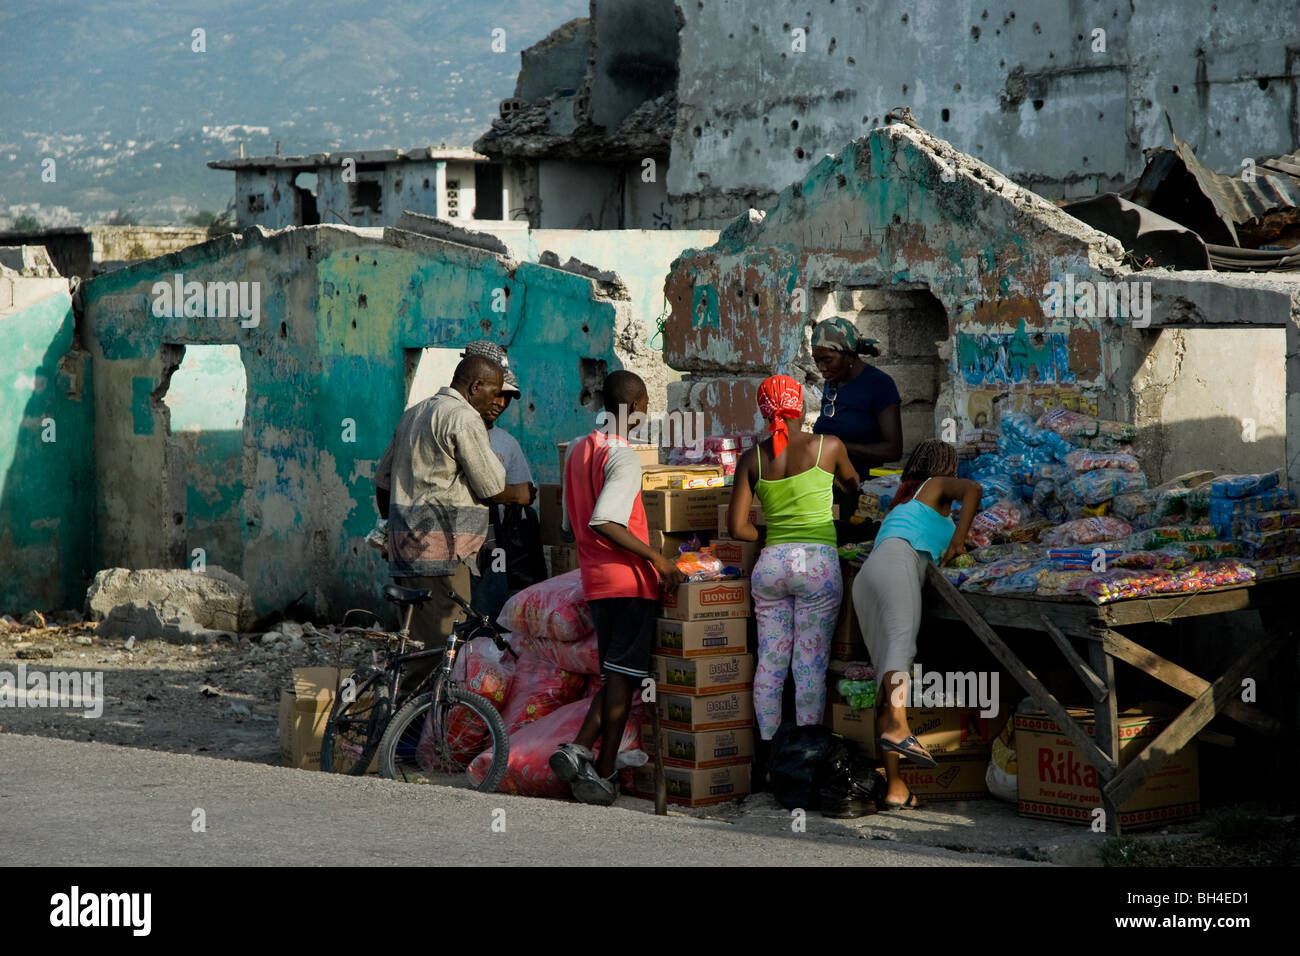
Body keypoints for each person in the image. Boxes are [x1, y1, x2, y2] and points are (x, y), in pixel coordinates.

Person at [549, 370, 683, 805]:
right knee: (623, 677)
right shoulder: (622, 455)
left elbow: (569, 527)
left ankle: (582, 752)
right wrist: (658, 558)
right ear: (640, 405)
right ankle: (599, 767)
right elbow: (603, 520)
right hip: (628, 582)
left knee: (618, 676)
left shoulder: (577, 451)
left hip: (596, 582)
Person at [727, 375, 859, 743]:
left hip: (771, 566)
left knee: (770, 663)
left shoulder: (751, 458)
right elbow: (853, 486)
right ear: (801, 406)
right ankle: (805, 754)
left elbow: (738, 528)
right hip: (815, 564)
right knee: (809, 665)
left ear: (764, 411)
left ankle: (771, 754)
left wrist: (768, 537)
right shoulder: (828, 446)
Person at [851, 438, 982, 809]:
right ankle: (897, 725)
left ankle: (895, 786)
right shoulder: (935, 486)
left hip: (870, 575)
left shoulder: (907, 501)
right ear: (944, 468)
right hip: (896, 566)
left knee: (889, 675)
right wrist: (959, 539)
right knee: (901, 650)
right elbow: (974, 489)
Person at [373, 355, 516, 658]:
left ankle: (407, 704)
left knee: (413, 643)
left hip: (404, 547)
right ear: (476, 386)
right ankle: (428, 706)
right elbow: (492, 485)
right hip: (443, 551)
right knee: (442, 651)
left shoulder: (414, 413)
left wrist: (394, 526)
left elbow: (383, 481)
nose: (497, 402)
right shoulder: (463, 417)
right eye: (494, 392)